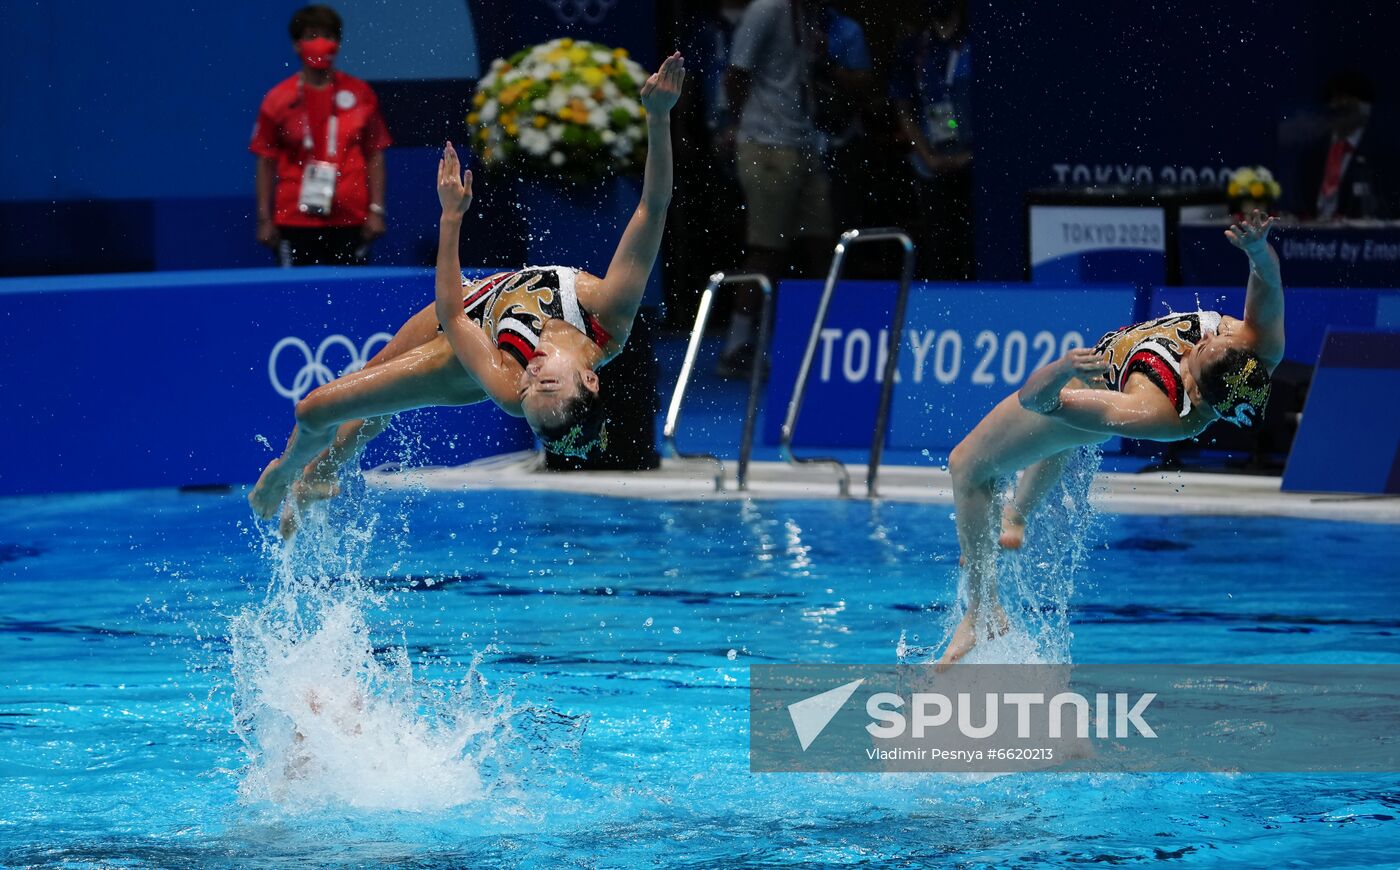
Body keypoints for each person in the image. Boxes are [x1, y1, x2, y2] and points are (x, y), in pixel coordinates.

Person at [248, 53, 687, 533]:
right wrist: (658, 117)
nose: (531, 376)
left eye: (526, 391)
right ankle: (316, 474)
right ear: (591, 379)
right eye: (544, 383)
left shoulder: (507, 384)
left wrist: (451, 218)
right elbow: (653, 207)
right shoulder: (608, 313)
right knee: (370, 395)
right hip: (483, 298)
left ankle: (286, 472)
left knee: (315, 408)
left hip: (461, 348)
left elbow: (453, 317)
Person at [938, 210, 1284, 668]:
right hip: (1094, 397)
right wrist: (1257, 249)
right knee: (1053, 448)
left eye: (1197, 352)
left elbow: (1036, 402)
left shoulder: (1154, 410)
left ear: (1196, 392)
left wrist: (1063, 367)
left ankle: (984, 611)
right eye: (1220, 335)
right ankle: (1014, 520)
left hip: (1086, 393)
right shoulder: (1256, 348)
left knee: (968, 466)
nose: (1209, 337)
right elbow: (1268, 280)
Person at [717, 0, 836, 378]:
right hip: (765, 143)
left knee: (821, 244)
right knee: (766, 250)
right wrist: (740, 126)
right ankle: (736, 346)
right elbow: (735, 74)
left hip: (804, 142)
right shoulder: (765, 8)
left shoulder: (809, 12)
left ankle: (824, 343)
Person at [251, 5, 393, 266]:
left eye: (328, 36)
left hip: (351, 218)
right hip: (294, 218)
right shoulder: (277, 99)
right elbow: (265, 160)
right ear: (296, 45)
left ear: (338, 44)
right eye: (312, 36)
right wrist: (264, 219)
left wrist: (376, 210)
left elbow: (375, 153)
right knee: (295, 299)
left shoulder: (360, 94)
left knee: (350, 297)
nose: (321, 44)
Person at [891, 0, 974, 280]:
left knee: (973, 246)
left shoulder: (978, 41)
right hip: (930, 166)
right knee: (938, 250)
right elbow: (903, 107)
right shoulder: (914, 47)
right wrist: (927, 155)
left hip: (975, 166)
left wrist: (971, 157)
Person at [1297, 70, 1389, 220]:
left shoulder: (1380, 153)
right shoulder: (1313, 151)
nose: (1339, 106)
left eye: (1348, 103)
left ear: (1366, 108)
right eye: (1336, 101)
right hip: (1313, 235)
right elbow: (1301, 202)